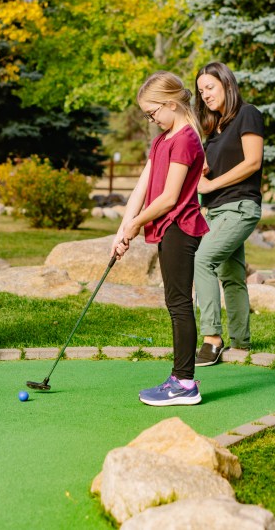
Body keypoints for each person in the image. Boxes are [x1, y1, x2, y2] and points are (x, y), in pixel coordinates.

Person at [112, 71, 209, 406]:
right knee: (174, 303)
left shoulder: (186, 139)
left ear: (171, 103)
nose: (151, 120)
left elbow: (169, 197)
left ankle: (185, 384)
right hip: (167, 228)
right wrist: (122, 228)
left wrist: (136, 223)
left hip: (181, 226)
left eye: (152, 113)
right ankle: (179, 378)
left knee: (179, 304)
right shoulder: (163, 139)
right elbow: (142, 185)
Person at [192, 62, 264, 366]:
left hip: (241, 207)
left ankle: (211, 338)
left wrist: (210, 183)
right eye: (201, 91)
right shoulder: (215, 130)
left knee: (203, 260)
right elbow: (208, 173)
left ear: (227, 84)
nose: (205, 95)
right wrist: (202, 175)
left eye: (210, 87)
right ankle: (241, 343)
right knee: (232, 275)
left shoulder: (249, 114)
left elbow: (252, 162)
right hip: (217, 210)